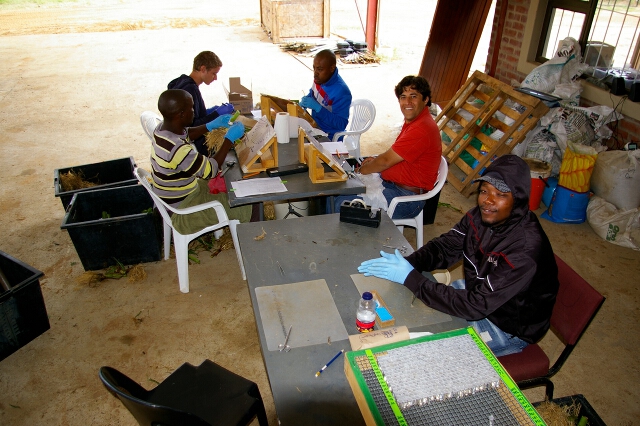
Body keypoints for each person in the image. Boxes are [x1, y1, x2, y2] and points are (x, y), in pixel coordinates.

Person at [358, 155, 560, 357]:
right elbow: (445, 247)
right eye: (484, 191)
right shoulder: (480, 217)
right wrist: (409, 263)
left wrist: (410, 277)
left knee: (423, 352)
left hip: (507, 325)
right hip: (480, 292)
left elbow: (474, 306)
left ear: (518, 200)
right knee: (407, 310)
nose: (487, 201)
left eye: (500, 194)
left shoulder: (523, 251)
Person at [332, 75, 441, 218]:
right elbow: (395, 154)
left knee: (343, 203)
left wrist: (362, 170)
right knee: (338, 190)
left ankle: (351, 237)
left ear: (425, 99)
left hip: (406, 198)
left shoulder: (422, 128)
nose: (407, 102)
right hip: (393, 185)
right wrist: (375, 159)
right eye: (403, 97)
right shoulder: (415, 121)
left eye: (413, 96)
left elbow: (385, 162)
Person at [151, 89, 251, 235]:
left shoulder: (162, 130)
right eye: (191, 108)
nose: (194, 111)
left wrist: (210, 125)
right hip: (183, 210)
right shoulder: (177, 150)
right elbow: (211, 170)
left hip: (176, 197)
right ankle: (253, 245)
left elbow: (187, 134)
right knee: (245, 203)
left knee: (230, 186)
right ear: (181, 115)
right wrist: (228, 140)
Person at [168, 51, 235, 156]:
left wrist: (210, 111)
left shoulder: (181, 81)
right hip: (195, 144)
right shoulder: (189, 90)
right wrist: (216, 114)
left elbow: (195, 114)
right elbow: (193, 126)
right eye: (214, 73)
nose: (215, 78)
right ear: (203, 69)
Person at [299, 49, 352, 140]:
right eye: (314, 68)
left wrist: (319, 109)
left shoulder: (342, 92)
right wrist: (307, 99)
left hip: (329, 136)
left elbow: (341, 124)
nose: (315, 73)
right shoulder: (320, 79)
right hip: (315, 127)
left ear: (331, 68)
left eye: (319, 69)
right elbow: (313, 93)